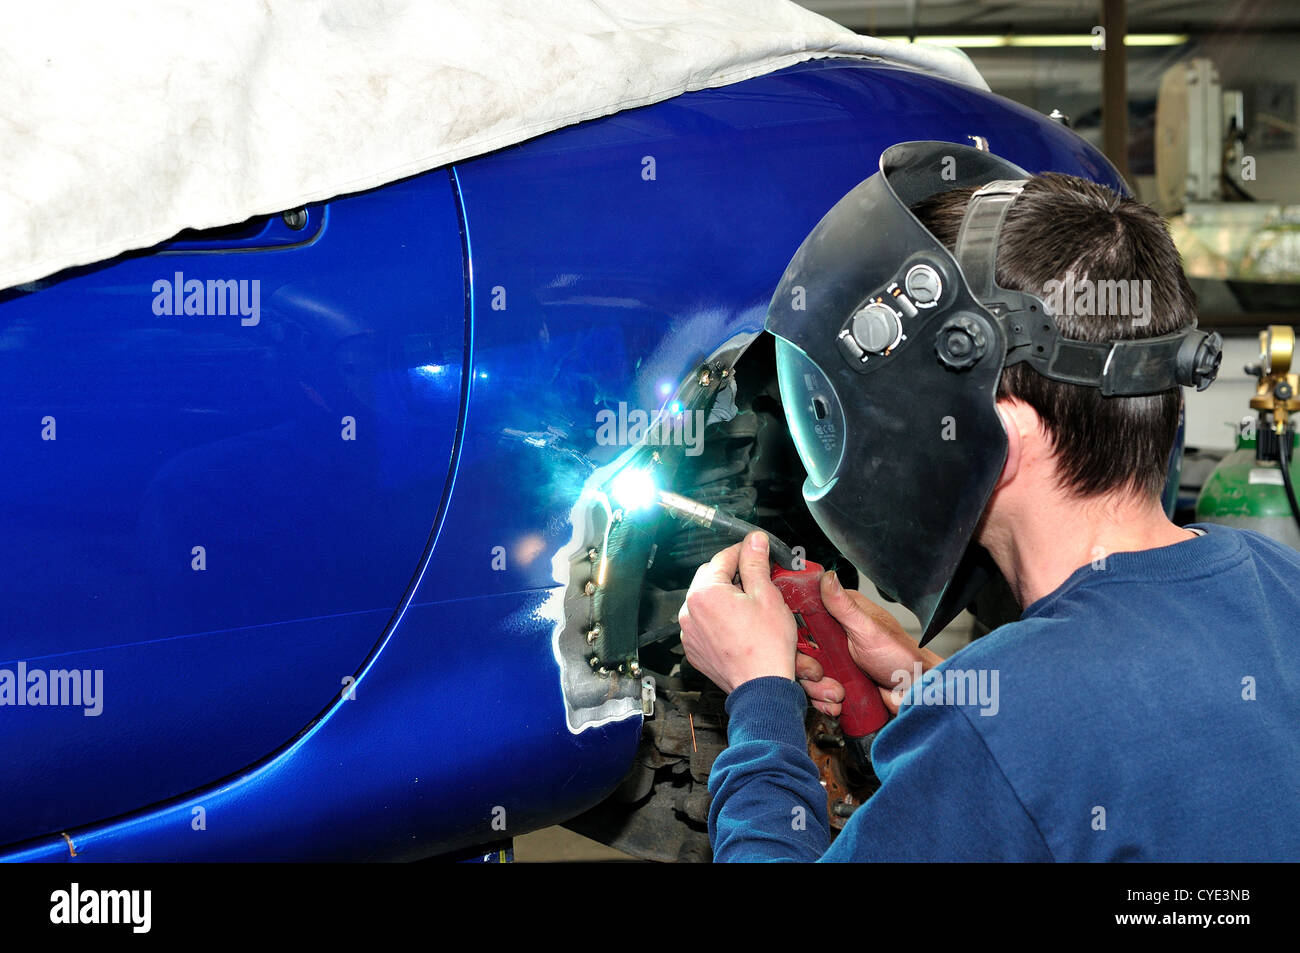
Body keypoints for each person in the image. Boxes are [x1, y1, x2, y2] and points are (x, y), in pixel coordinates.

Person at [677, 142, 1300, 861]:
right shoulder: (1279, 584)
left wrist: (758, 698)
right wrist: (934, 698)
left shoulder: (1006, 724)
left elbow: (1037, 753)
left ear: (996, 436)